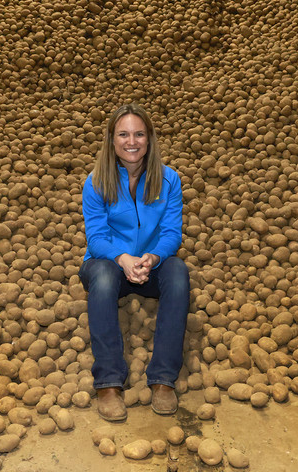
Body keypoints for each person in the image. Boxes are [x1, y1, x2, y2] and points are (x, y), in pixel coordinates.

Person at [79, 103, 190, 421]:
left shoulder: (169, 181)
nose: (132, 142)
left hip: (150, 265)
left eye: (139, 134)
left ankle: (163, 379)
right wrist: (123, 258)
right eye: (124, 134)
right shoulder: (96, 182)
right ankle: (108, 383)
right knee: (101, 275)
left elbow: (171, 233)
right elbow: (96, 238)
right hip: (109, 264)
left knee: (178, 271)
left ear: (150, 138)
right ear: (111, 140)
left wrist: (153, 257)